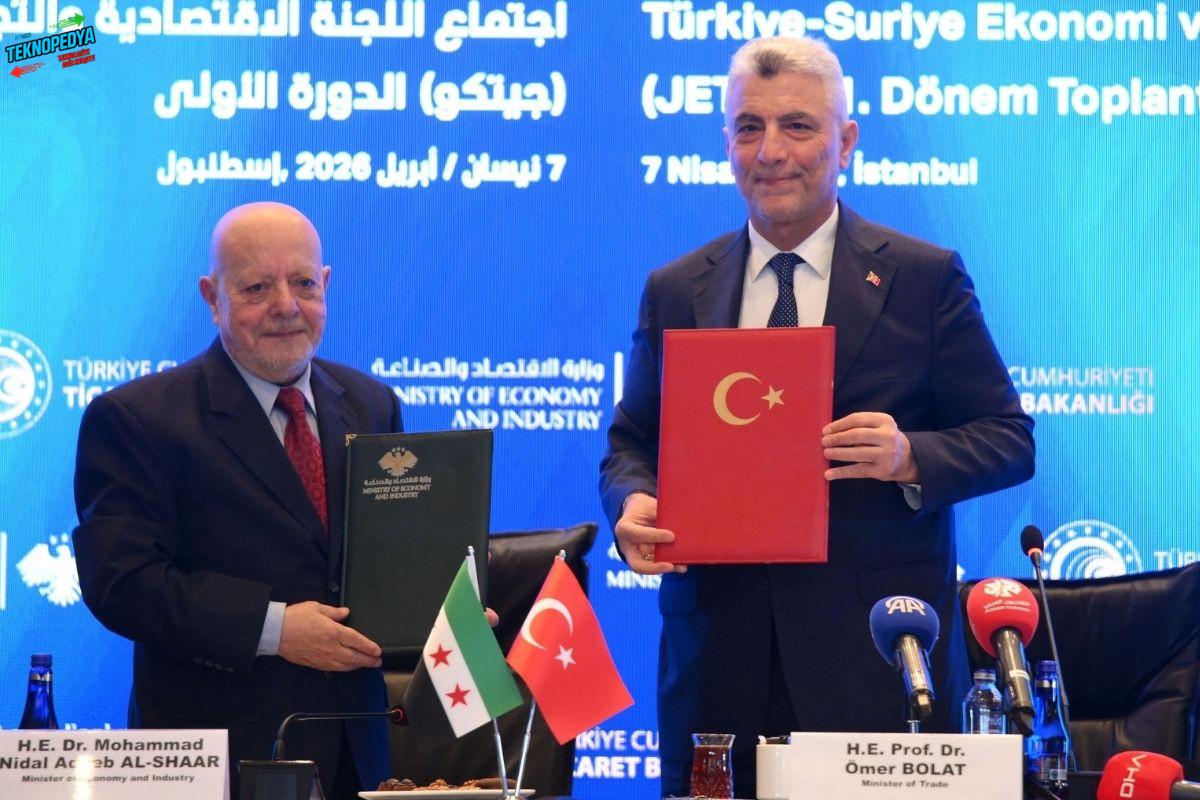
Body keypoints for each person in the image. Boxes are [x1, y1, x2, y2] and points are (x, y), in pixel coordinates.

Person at [598, 36, 1035, 797]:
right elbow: (633, 440)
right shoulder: (677, 289)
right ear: (728, 142)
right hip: (716, 668)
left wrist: (909, 456)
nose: (771, 152)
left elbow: (1008, 439)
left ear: (846, 141)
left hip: (875, 665)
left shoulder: (922, 278)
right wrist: (632, 500)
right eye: (749, 127)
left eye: (797, 126)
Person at [73, 202, 400, 799]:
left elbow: (385, 558)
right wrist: (275, 629)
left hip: (360, 758)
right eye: (256, 287)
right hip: (215, 762)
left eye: (304, 283)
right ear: (212, 297)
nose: (286, 305)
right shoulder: (137, 418)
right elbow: (123, 583)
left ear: (325, 285)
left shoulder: (371, 403)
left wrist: (436, 607)